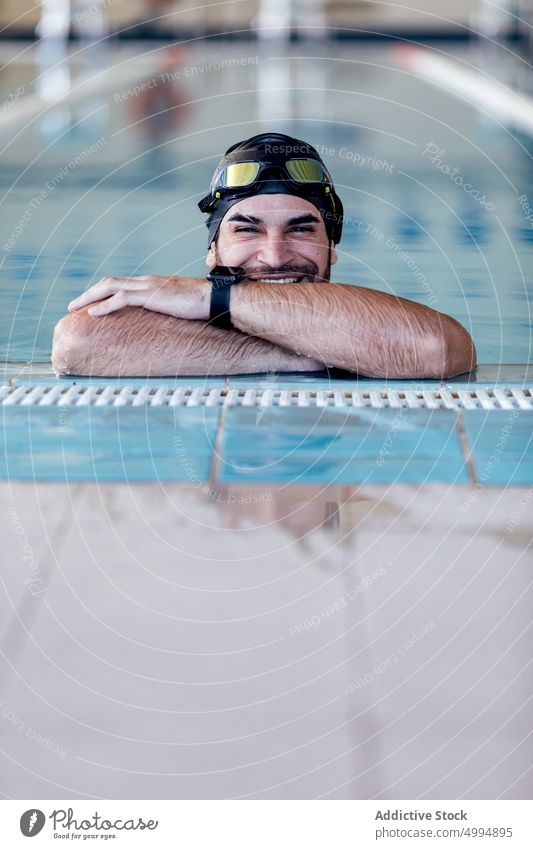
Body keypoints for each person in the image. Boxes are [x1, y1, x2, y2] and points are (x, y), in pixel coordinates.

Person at [52, 132, 476, 378]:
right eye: (247, 229)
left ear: (332, 248)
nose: (274, 257)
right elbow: (76, 342)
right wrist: (315, 351)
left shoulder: (370, 315)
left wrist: (210, 299)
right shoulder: (367, 332)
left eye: (301, 228)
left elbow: (438, 348)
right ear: (212, 248)